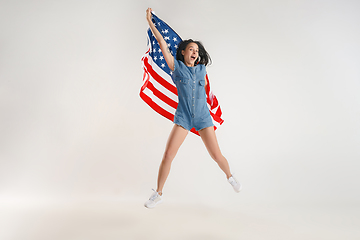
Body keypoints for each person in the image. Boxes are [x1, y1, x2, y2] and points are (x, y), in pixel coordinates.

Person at [144, 8, 241, 209]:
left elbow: (207, 88)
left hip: (203, 118)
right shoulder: (176, 68)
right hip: (184, 118)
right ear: (182, 52)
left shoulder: (202, 68)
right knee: (168, 154)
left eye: (196, 50)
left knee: (216, 155)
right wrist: (151, 23)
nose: (194, 52)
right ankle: (159, 193)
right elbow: (163, 43)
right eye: (191, 49)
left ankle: (230, 177)